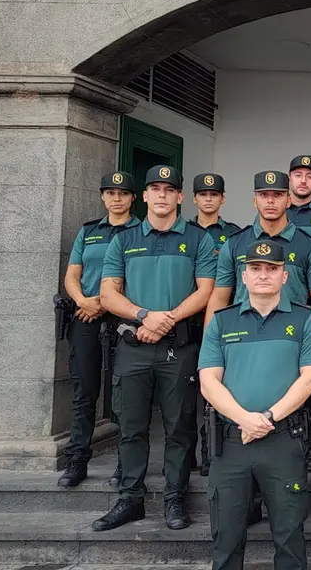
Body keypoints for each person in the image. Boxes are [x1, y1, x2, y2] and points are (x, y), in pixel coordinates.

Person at [94, 165, 216, 531]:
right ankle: (130, 498)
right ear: (144, 196)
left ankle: (175, 497)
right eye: (155, 188)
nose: (162, 194)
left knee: (180, 427)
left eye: (169, 189)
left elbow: (207, 290)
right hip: (134, 346)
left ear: (180, 196)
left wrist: (168, 319)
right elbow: (108, 293)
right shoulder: (124, 239)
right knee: (131, 427)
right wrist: (144, 316)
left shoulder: (198, 239)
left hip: (179, 347)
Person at [198, 239, 311, 570]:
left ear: (284, 276)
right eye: (255, 268)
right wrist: (245, 419)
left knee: (289, 538)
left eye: (272, 268)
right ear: (243, 276)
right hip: (231, 444)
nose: (263, 274)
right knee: (226, 539)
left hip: (283, 440)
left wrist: (266, 418)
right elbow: (208, 382)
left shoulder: (305, 320)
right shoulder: (222, 321)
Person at [209, 171, 311, 471]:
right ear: (255, 199)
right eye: (264, 195)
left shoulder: (307, 246)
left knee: (297, 414)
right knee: (240, 408)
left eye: (277, 195)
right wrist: (210, 346)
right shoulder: (235, 244)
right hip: (241, 341)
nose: (271, 201)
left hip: (291, 340)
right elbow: (220, 297)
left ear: (288, 199)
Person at [58, 171, 140, 488]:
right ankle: (77, 459)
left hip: (124, 317)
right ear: (103, 197)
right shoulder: (89, 231)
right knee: (84, 392)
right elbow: (72, 274)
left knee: (125, 394)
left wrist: (107, 303)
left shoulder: (141, 231)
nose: (116, 198)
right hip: (87, 315)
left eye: (123, 193)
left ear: (133, 198)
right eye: (110, 192)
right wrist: (83, 301)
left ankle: (124, 462)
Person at [186, 172, 242, 477]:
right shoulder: (183, 231)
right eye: (203, 194)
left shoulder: (234, 235)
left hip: (222, 321)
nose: (208, 199)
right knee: (186, 396)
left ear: (223, 199)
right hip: (187, 321)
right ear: (194, 198)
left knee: (218, 389)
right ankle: (188, 454)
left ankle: (211, 451)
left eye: (214, 194)